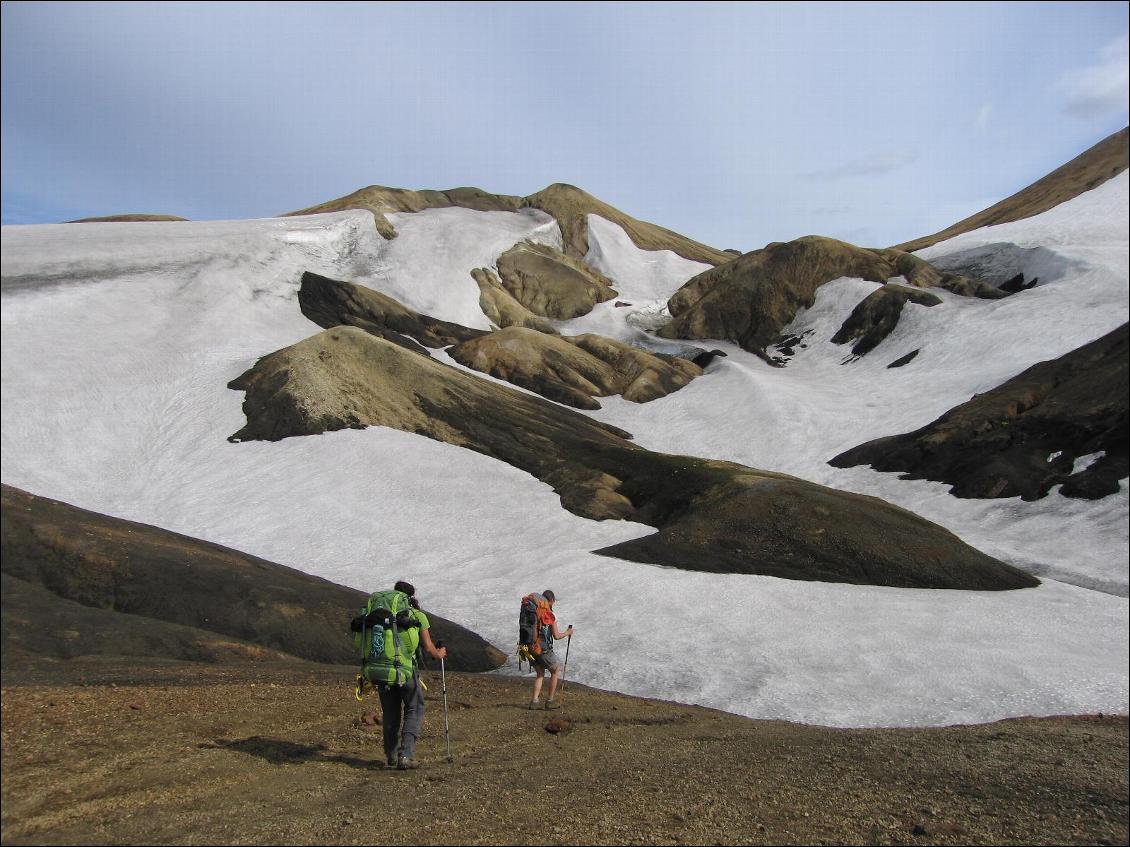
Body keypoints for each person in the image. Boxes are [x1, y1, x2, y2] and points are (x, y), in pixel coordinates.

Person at [364, 580, 447, 769]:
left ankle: (391, 756)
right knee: (414, 707)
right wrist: (440, 654)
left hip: (382, 669)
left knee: (391, 712)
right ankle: (406, 755)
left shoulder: (379, 616)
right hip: (405, 671)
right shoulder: (416, 615)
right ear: (410, 597)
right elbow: (428, 647)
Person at [528, 589, 573, 710]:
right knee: (555, 669)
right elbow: (556, 636)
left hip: (530, 648)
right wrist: (568, 632)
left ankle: (534, 701)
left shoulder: (533, 612)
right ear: (551, 600)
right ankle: (550, 701)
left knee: (540, 673)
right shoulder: (549, 614)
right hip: (543, 649)